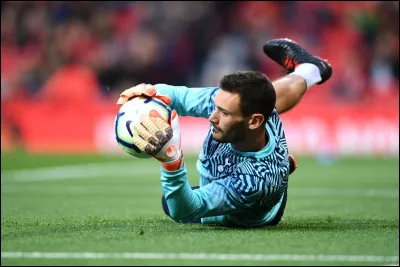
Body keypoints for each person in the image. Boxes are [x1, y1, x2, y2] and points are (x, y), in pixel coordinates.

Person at [116, 38, 332, 227]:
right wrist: (151, 93)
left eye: (224, 113)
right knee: (269, 97)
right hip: (258, 158)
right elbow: (177, 96)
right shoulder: (239, 106)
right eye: (216, 106)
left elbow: (185, 209)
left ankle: (280, 171)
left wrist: (171, 162)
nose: (212, 116)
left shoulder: (253, 182)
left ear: (255, 121)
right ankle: (311, 69)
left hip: (240, 214)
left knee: (169, 203)